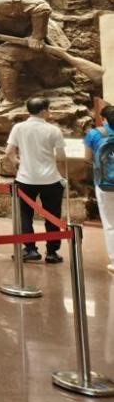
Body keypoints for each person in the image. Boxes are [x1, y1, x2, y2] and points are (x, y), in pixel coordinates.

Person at [5, 96, 66, 263]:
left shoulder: (18, 128)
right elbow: (61, 157)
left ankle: (30, 249)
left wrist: (17, 163)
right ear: (43, 111)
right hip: (50, 179)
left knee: (24, 215)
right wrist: (62, 176)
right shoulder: (54, 130)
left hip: (25, 178)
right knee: (52, 216)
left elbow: (9, 151)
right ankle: (52, 252)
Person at [82, 105, 114, 275]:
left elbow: (87, 158)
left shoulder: (94, 134)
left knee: (110, 223)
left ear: (103, 119)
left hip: (105, 183)